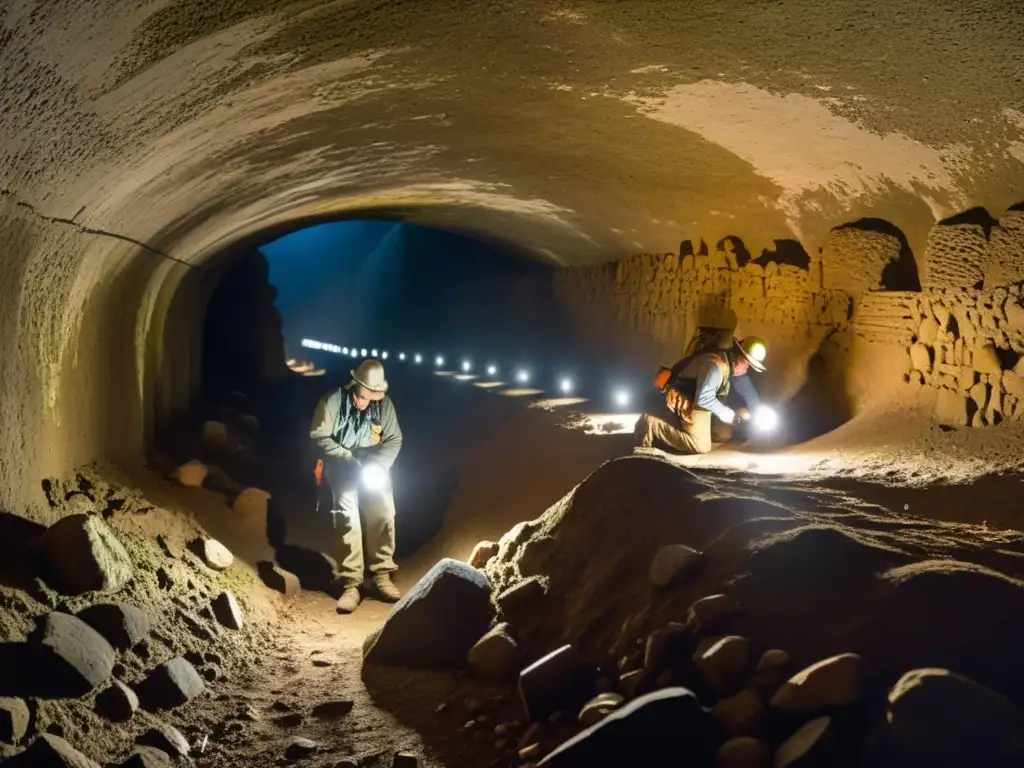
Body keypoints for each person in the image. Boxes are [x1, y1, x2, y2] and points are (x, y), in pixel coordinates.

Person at [310, 359, 403, 614]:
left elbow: (394, 439)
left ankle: (382, 574)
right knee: (346, 516)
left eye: (370, 398)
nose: (363, 402)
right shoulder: (333, 402)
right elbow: (319, 436)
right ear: (355, 385)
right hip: (343, 462)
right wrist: (345, 459)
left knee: (384, 512)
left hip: (372, 465)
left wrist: (380, 466)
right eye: (361, 396)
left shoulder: (384, 406)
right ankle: (351, 582)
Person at [634, 336, 767, 455]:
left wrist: (754, 412)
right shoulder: (716, 366)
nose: (747, 369)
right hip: (685, 399)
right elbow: (703, 399)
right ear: (739, 360)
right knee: (701, 446)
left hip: (696, 400)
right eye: (748, 365)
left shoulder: (727, 364)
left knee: (723, 433)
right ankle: (651, 424)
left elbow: (746, 390)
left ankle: (685, 429)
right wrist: (727, 413)